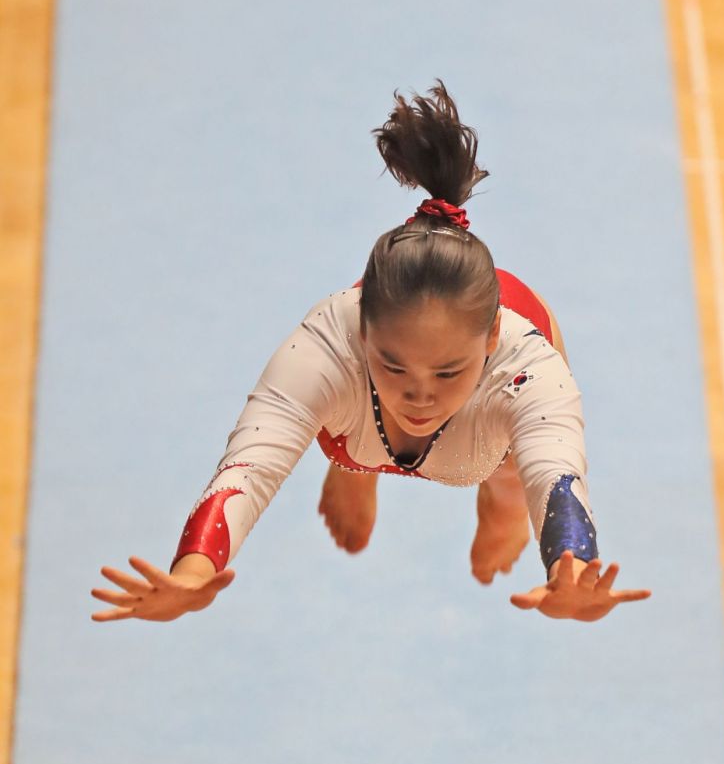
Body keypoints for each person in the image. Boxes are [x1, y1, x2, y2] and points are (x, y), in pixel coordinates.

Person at [92, 81, 650, 625]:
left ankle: (458, 484)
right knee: (347, 429)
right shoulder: (326, 345)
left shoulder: (527, 370)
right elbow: (248, 467)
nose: (420, 392)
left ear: (492, 339)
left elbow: (555, 474)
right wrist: (192, 573)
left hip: (486, 431)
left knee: (511, 485)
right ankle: (355, 464)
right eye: (393, 364)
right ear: (362, 333)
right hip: (361, 410)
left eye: (448, 370)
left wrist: (568, 567)